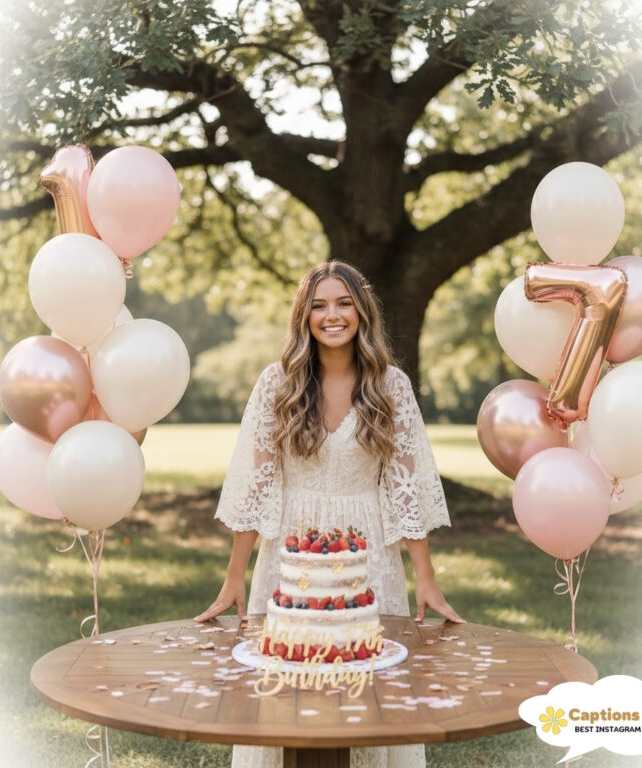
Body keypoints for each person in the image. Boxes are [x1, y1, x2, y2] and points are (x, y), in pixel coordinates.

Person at [195, 260, 464, 768]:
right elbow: (256, 485)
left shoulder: (392, 386)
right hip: (290, 554)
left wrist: (425, 578)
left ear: (362, 313)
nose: (332, 315)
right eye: (319, 305)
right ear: (304, 317)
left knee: (369, 689)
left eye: (343, 303)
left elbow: (408, 489)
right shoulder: (278, 384)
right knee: (286, 691)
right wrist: (235, 576)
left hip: (369, 556)